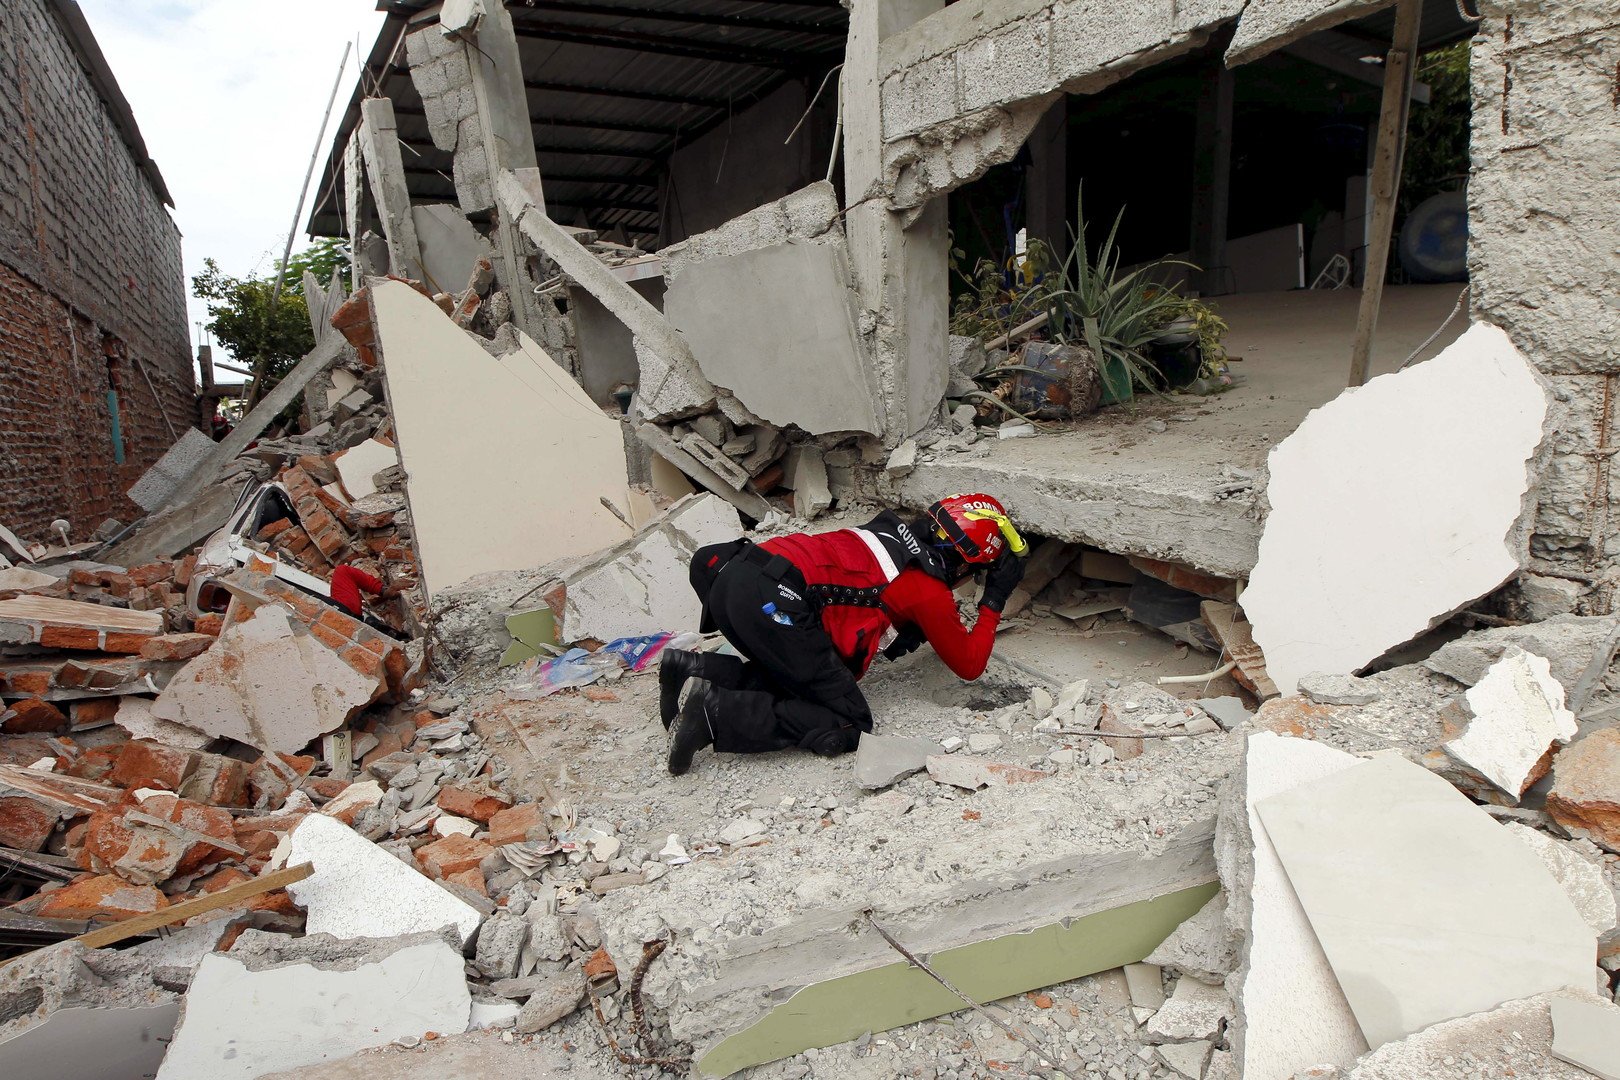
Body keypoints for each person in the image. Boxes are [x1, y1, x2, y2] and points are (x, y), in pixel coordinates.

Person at [659, 494, 1029, 775]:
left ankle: (697, 667)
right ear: (965, 561)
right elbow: (970, 664)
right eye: (976, 572)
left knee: (798, 674)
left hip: (737, 580)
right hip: (775, 601)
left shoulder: (888, 531)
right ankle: (716, 715)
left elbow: (869, 584)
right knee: (850, 722)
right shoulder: (929, 590)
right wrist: (993, 601)